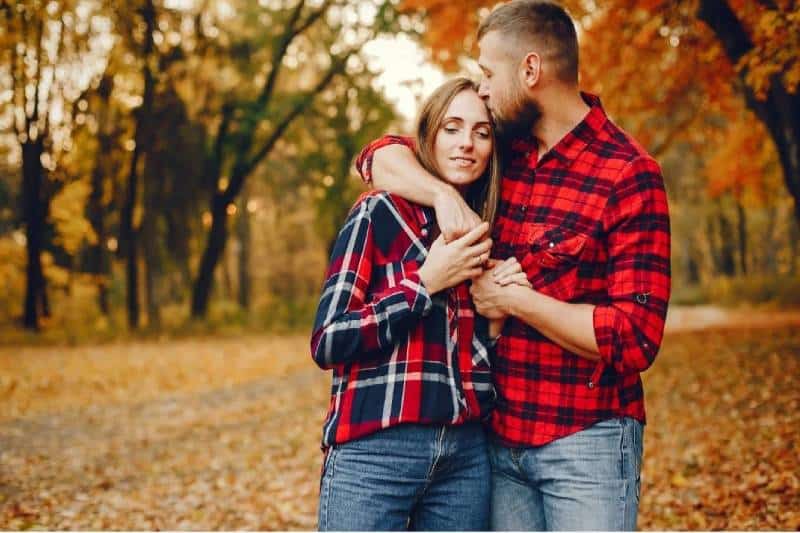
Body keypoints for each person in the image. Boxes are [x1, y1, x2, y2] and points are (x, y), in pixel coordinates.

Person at [354, 1, 672, 530]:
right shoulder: (500, 149)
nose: (480, 89)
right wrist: (440, 195)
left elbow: (636, 337)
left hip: (586, 443)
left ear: (530, 70)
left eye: (487, 73)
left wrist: (515, 301)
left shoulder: (628, 175)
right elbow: (376, 155)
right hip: (497, 443)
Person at [311, 77, 531, 531]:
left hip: (464, 459)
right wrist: (424, 284)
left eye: (481, 132)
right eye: (452, 128)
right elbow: (328, 339)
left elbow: (475, 374)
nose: (466, 143)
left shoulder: (484, 234)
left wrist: (495, 321)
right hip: (375, 450)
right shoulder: (379, 213)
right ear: (427, 136)